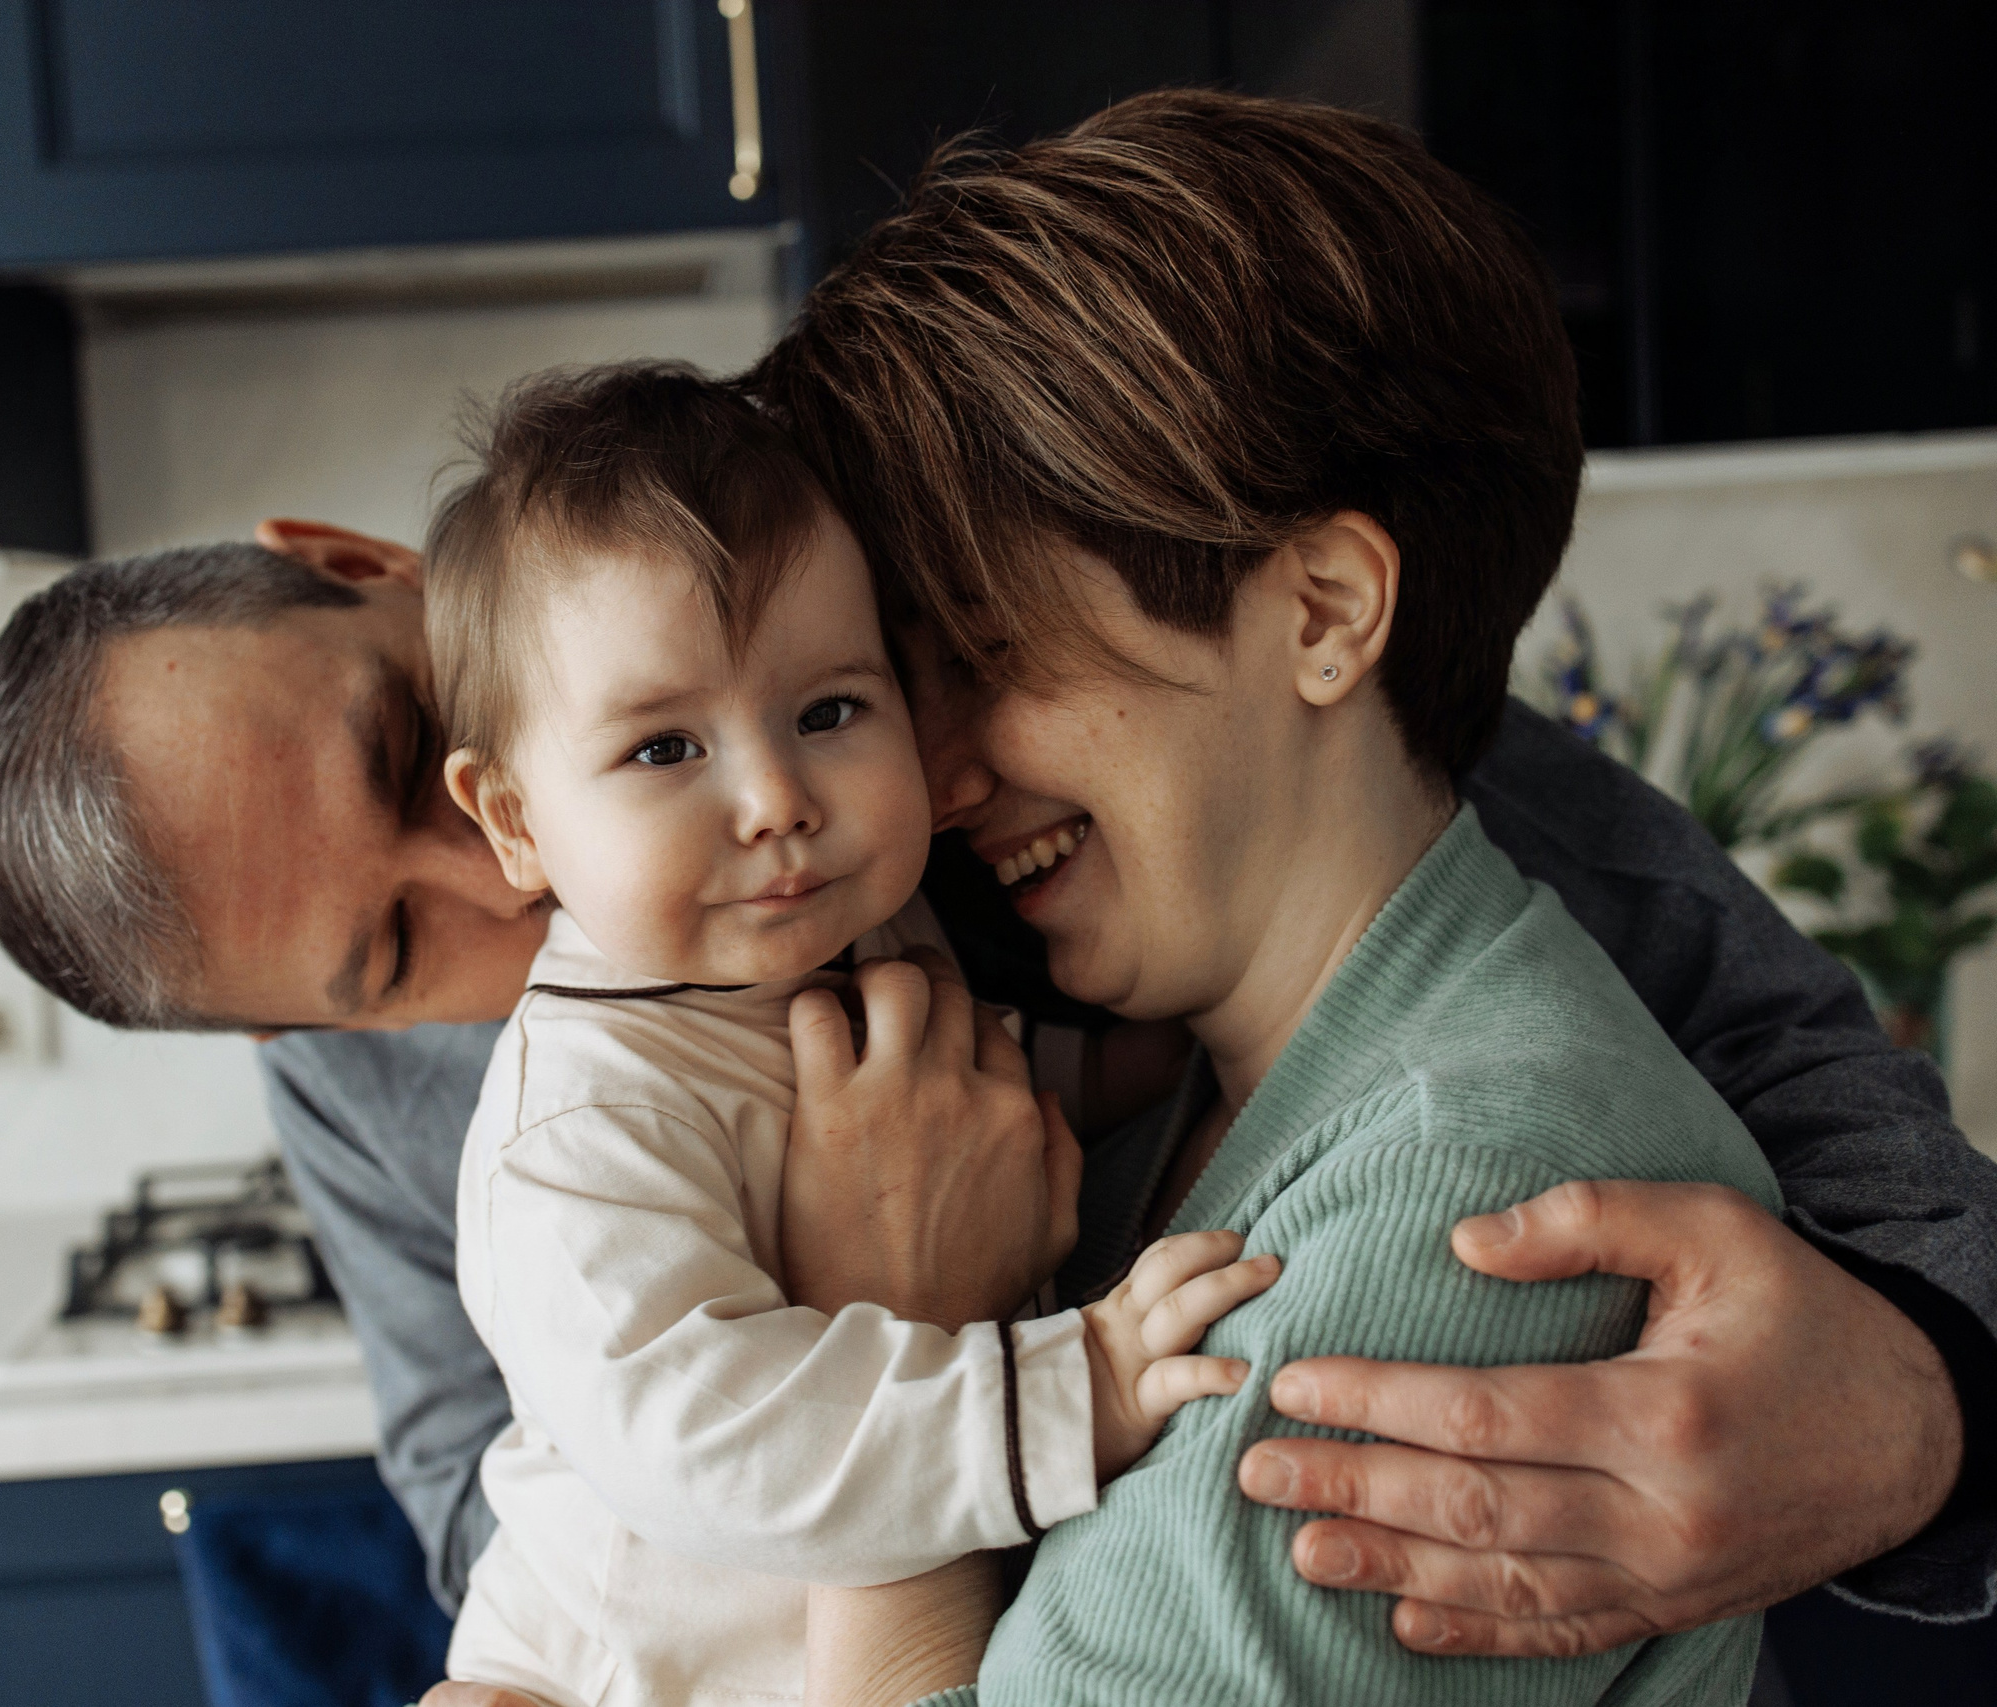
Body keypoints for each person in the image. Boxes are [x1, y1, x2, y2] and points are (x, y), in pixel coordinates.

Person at [0, 180, 1995, 1691]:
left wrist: (1930, 1403)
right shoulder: (360, 1059)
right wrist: (878, 1355)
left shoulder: (816, 599)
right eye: (390, 954)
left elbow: (1435, 845)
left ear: (370, 571)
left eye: (405, 751)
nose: (508, 886)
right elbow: (497, 1475)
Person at [734, 86, 1782, 1703]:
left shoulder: (1468, 1202)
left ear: (1323, 611)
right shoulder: (1179, 1101)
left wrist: (886, 1368)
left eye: (989, 651)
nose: (930, 784)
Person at [420, 362, 1274, 1704]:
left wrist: (1115, 1069)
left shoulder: (844, 929)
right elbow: (718, 1443)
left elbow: (947, 1069)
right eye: (663, 751)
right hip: (635, 1670)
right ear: (515, 821)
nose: (776, 799)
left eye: (829, 713)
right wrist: (1075, 1389)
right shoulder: (578, 1138)